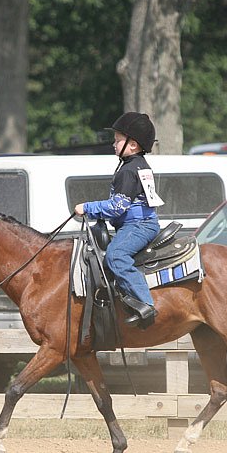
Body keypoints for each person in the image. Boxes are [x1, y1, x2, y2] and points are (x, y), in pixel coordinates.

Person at [74, 112, 163, 327]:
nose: (114, 144)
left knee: (116, 255)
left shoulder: (128, 170)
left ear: (132, 145)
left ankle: (146, 305)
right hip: (139, 223)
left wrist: (87, 207)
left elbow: (117, 207)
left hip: (138, 226)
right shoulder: (138, 164)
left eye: (117, 140)